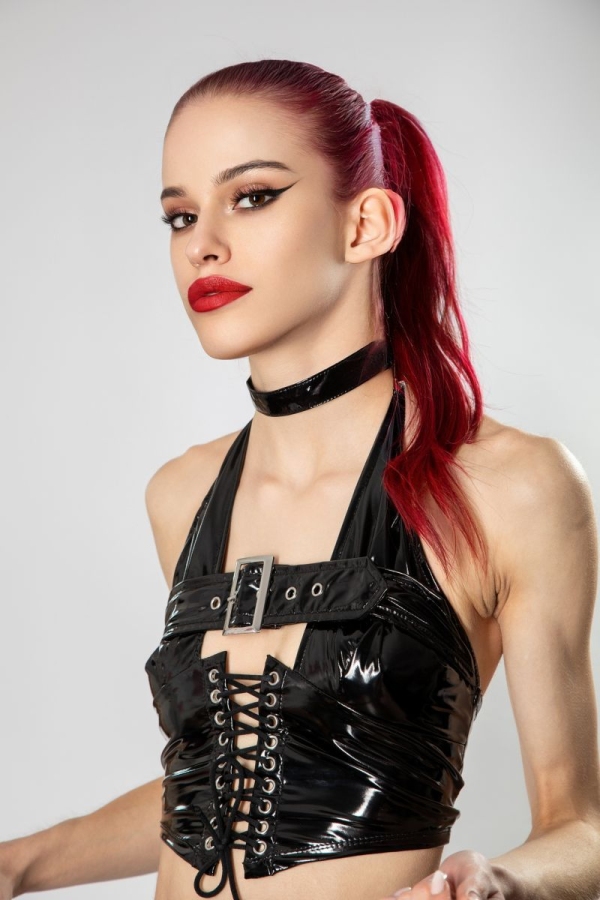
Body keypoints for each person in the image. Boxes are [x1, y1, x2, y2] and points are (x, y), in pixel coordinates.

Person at [1, 57, 599, 900]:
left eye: (251, 196)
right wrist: (17, 863)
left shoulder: (511, 487)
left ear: (367, 224)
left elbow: (583, 827)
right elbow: (223, 784)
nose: (202, 243)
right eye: (180, 215)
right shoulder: (181, 495)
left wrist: (503, 881)